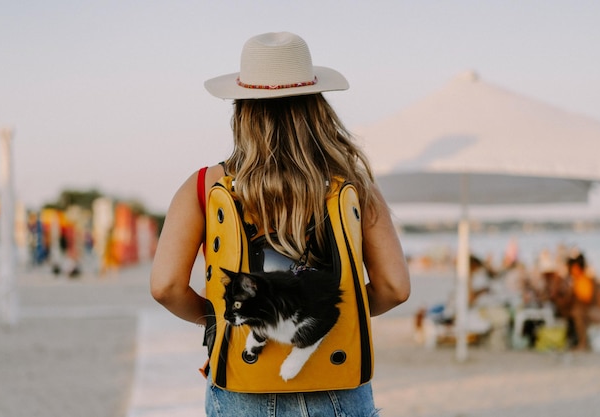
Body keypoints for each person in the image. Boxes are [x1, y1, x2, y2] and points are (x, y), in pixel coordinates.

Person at [150, 32, 410, 416]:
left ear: (242, 111)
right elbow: (394, 288)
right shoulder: (353, 184)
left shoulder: (205, 186)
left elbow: (166, 286)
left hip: (242, 384)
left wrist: (221, 319)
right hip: (338, 382)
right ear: (318, 108)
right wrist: (326, 310)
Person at [566, 251, 600, 350]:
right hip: (594, 311)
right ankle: (583, 343)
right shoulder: (580, 280)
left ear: (576, 267)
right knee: (576, 312)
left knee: (577, 313)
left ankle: (583, 344)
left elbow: (586, 301)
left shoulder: (584, 280)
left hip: (598, 312)